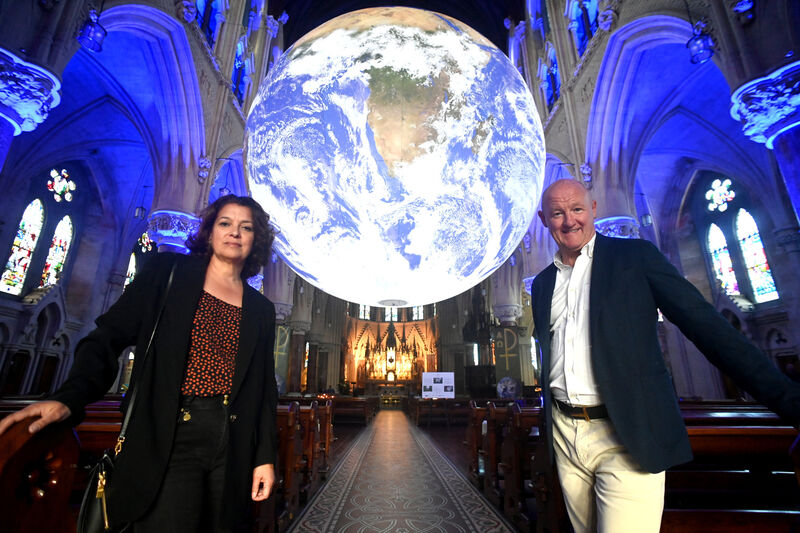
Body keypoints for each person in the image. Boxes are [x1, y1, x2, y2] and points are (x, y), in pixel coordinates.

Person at [530, 179, 800, 533]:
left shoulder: (635, 258)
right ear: (543, 219)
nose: (569, 221)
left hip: (627, 433)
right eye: (557, 213)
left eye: (577, 209)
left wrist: (790, 402)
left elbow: (707, 328)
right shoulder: (543, 283)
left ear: (593, 209)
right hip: (565, 434)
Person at [0, 195, 279, 532]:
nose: (234, 232)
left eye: (246, 227)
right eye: (225, 223)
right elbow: (107, 337)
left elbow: (264, 390)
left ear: (256, 240)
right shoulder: (168, 273)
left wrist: (264, 457)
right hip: (171, 433)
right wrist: (69, 397)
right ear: (209, 232)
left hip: (232, 443)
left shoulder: (261, 309)